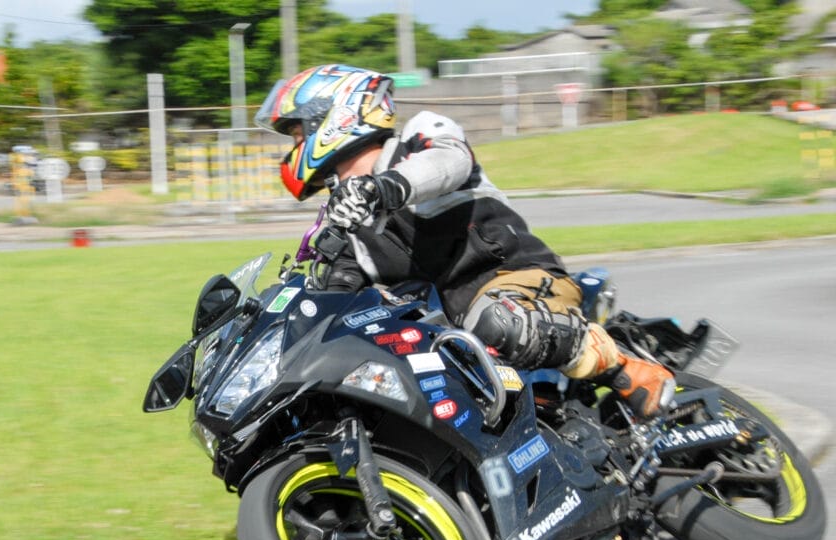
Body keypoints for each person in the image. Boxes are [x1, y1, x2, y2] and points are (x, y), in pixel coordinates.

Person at [254, 64, 674, 418]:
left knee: (496, 320)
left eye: (296, 134)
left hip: (518, 284)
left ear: (336, 117)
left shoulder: (418, 139)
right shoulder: (343, 223)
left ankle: (625, 370)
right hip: (454, 342)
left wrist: (382, 188)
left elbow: (451, 162)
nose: (293, 148)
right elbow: (332, 300)